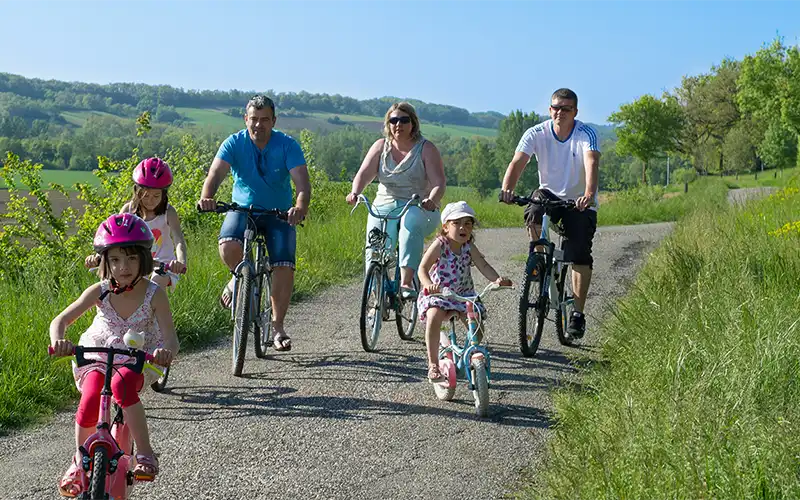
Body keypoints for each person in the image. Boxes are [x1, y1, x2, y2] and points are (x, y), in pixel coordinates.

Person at [51, 213, 178, 497]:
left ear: (144, 259)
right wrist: (58, 340)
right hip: (98, 352)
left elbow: (170, 335)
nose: (124, 267)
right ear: (104, 261)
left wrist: (166, 351)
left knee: (122, 386)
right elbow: (60, 321)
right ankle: (78, 460)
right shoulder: (100, 291)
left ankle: (144, 453)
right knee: (90, 395)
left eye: (132, 259)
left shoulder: (154, 293)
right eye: (116, 259)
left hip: (137, 355)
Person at [197, 95, 310, 351]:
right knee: (228, 245)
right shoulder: (234, 143)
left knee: (283, 264)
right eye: (254, 119)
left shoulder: (287, 145)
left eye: (265, 120)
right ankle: (239, 279)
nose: (258, 125)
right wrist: (208, 197)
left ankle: (278, 327)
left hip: (278, 213)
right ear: (245, 119)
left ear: (274, 121)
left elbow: (302, 184)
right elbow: (215, 174)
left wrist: (300, 208)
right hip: (242, 209)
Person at [499, 88, 600, 339]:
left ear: (575, 112)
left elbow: (592, 162)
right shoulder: (536, 132)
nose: (560, 112)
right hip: (549, 194)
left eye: (566, 108)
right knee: (533, 207)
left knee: (578, 254)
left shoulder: (585, 134)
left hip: (578, 202)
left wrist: (587, 195)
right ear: (549, 109)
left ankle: (577, 313)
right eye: (556, 107)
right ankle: (540, 262)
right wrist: (507, 189)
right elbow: (518, 161)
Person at [346, 102, 446, 299]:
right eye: (393, 120)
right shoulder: (380, 146)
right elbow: (363, 174)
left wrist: (432, 200)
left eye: (403, 120)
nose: (398, 124)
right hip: (385, 203)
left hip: (418, 205)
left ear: (413, 123)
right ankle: (375, 292)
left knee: (410, 222)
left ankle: (406, 282)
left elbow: (439, 183)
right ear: (388, 124)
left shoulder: (426, 149)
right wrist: (355, 192)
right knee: (376, 239)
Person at [416, 201, 512, 382]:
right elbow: (422, 268)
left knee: (477, 329)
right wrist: (429, 284)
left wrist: (497, 280)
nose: (463, 227)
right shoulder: (440, 244)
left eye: (468, 223)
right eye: (456, 223)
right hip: (440, 294)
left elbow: (483, 265)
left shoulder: (469, 247)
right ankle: (433, 364)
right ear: (445, 227)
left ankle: (467, 354)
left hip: (463, 295)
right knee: (434, 316)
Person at [85, 157, 187, 289]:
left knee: (155, 283)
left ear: (164, 194)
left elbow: (179, 240)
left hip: (163, 264)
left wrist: (180, 262)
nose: (151, 200)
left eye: (156, 196)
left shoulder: (169, 212)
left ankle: (156, 308)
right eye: (146, 196)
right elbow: (114, 238)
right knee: (110, 282)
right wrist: (98, 257)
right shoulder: (128, 210)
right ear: (137, 192)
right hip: (136, 264)